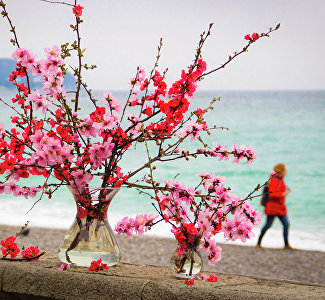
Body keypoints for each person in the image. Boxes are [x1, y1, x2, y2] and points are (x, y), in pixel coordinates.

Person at [256, 163, 293, 249]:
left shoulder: (280, 179)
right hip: (272, 207)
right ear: (281, 171)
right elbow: (272, 195)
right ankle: (258, 243)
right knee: (268, 225)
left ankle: (286, 245)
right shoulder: (274, 180)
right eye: (285, 169)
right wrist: (284, 193)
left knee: (286, 224)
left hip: (280, 207)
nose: (286, 171)